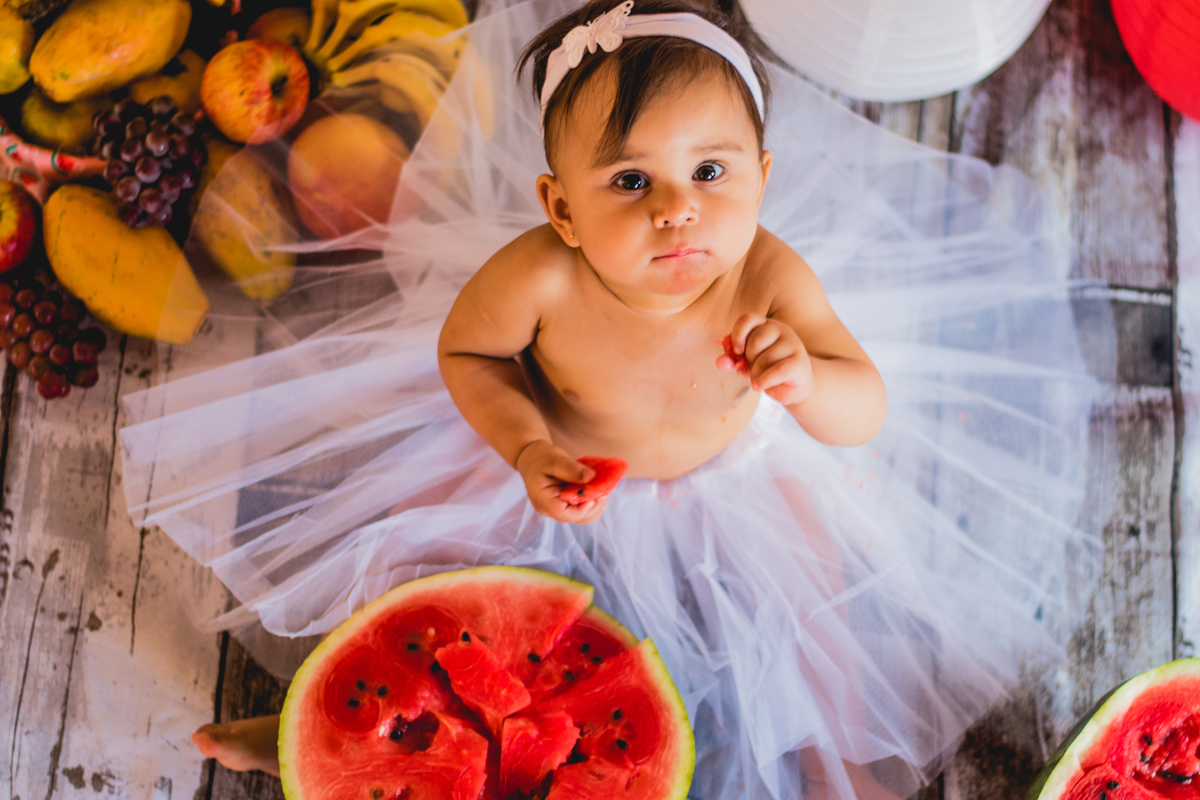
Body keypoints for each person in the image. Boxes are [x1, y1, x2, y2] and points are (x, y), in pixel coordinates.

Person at [121, 0, 1114, 796]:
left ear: (761, 179)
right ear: (562, 207)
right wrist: (522, 445)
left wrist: (808, 380)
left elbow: (867, 411)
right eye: (630, 179)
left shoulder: (770, 277)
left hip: (743, 485)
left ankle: (833, 770)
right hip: (551, 465)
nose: (677, 207)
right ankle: (318, 722)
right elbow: (470, 355)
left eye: (710, 171)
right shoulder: (539, 278)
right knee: (435, 611)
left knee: (815, 646)